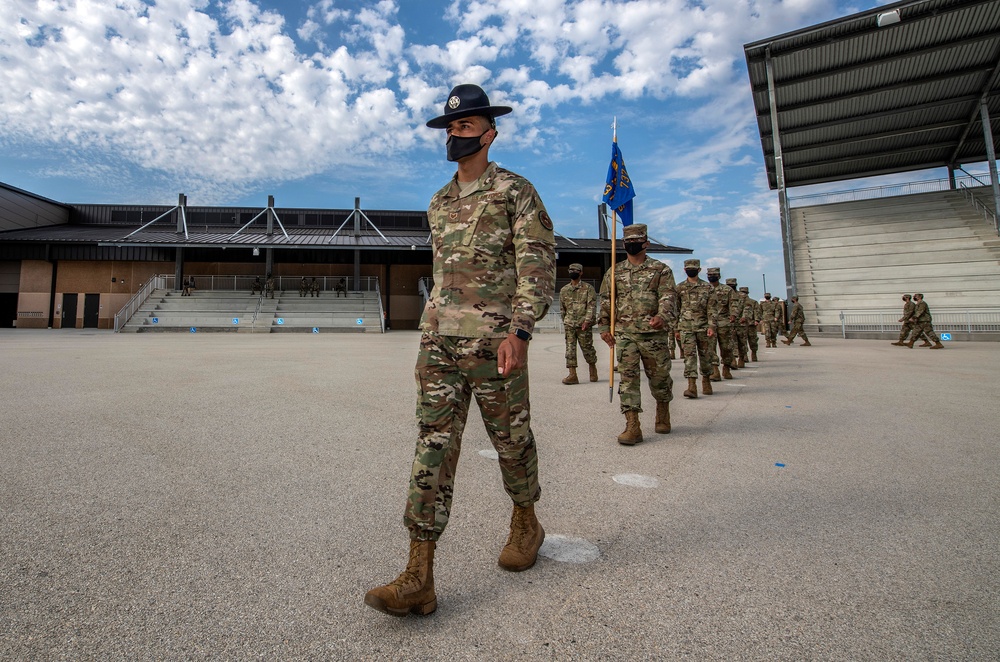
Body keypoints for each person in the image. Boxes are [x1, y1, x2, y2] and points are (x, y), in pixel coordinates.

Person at [364, 84, 556, 617]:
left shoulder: (516, 191)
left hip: (495, 344)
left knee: (510, 440)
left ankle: (526, 520)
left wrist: (519, 331)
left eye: (466, 126)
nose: (455, 134)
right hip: (439, 344)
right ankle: (417, 574)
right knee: (432, 446)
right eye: (450, 127)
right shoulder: (439, 201)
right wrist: (430, 332)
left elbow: (537, 263)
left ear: (490, 134)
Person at [597, 223, 676, 445]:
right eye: (628, 242)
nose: (631, 245)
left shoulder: (661, 270)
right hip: (625, 334)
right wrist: (604, 327)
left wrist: (663, 316)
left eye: (636, 241)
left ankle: (662, 410)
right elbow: (606, 301)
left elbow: (668, 296)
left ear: (646, 243)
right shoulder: (614, 272)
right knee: (628, 380)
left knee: (660, 378)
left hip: (653, 334)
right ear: (623, 244)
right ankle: (633, 425)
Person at [675, 259, 715, 398]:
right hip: (686, 327)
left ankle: (706, 381)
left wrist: (711, 326)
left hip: (703, 327)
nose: (690, 270)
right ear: (685, 270)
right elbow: (676, 309)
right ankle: (691, 386)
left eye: (693, 268)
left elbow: (711, 308)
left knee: (705, 356)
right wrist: (676, 329)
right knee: (689, 357)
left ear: (699, 270)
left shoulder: (707, 287)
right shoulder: (679, 288)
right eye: (688, 268)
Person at [559, 263, 598, 384]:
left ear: (581, 273)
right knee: (570, 350)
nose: (573, 272)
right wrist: (566, 321)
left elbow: (591, 306)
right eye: (571, 270)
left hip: (583, 325)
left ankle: (592, 369)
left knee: (587, 349)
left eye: (576, 270)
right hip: (569, 324)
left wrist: (587, 321)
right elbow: (562, 308)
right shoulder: (564, 290)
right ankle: (572, 375)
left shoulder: (588, 288)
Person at [706, 267, 739, 380]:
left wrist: (733, 315)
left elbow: (734, 303)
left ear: (719, 276)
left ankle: (726, 368)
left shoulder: (727, 289)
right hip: (709, 323)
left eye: (714, 274)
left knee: (726, 348)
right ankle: (715, 371)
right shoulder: (704, 288)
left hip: (724, 321)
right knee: (710, 348)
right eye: (709, 274)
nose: (711, 276)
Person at [730, 279, 750, 367]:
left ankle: (742, 357)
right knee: (730, 341)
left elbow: (747, 307)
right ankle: (733, 359)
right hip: (729, 322)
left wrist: (744, 317)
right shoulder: (725, 294)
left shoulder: (743, 296)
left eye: (732, 285)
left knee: (742, 341)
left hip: (741, 322)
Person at [740, 286, 761, 361]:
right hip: (741, 325)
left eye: (744, 293)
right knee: (742, 340)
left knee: (753, 340)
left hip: (751, 324)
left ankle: (754, 353)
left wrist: (757, 320)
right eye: (742, 292)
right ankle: (744, 355)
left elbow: (757, 311)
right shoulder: (737, 301)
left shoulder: (753, 302)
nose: (743, 294)